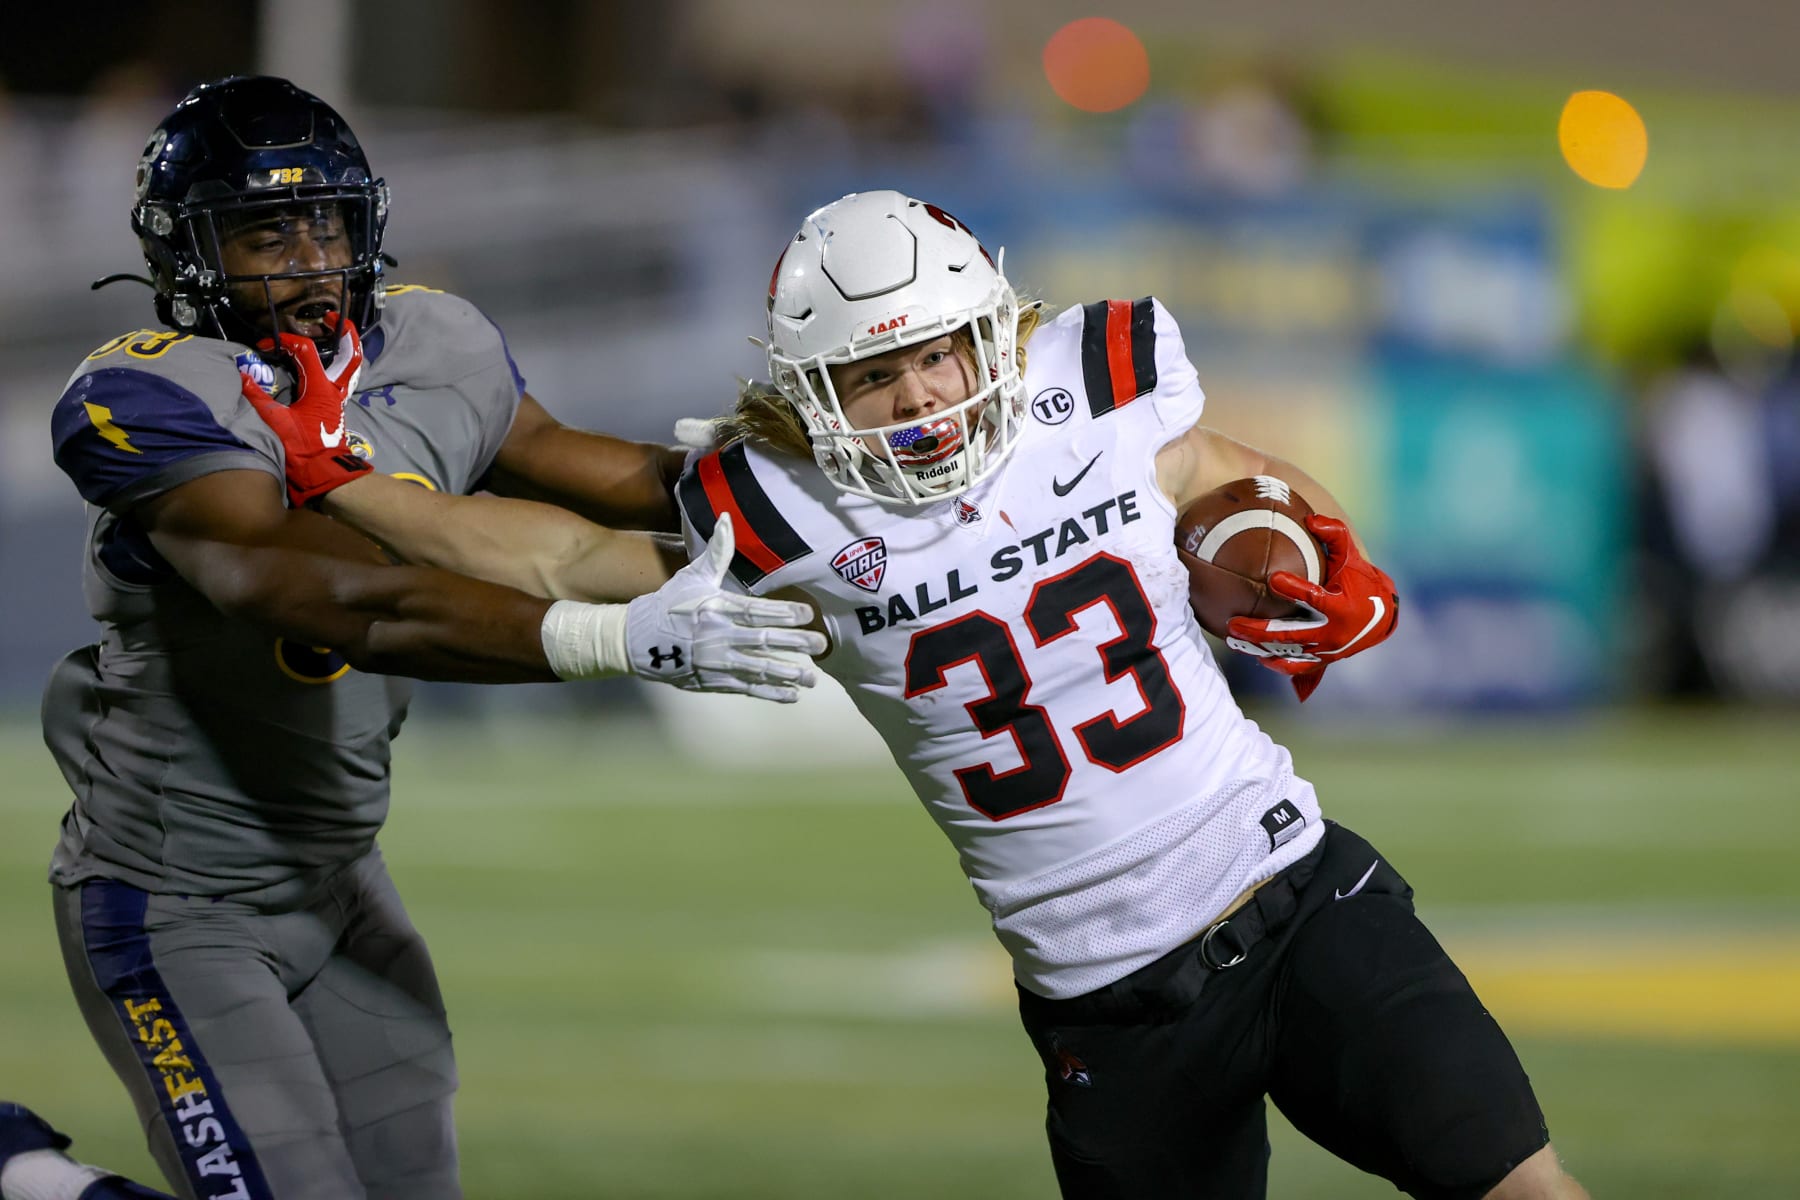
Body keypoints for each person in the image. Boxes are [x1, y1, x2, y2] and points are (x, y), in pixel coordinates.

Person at [239, 191, 1581, 1198]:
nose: (922, 392)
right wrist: (348, 482)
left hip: (1298, 898)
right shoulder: (787, 509)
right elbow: (560, 553)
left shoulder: (1090, 384)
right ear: (813, 396)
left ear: (991, 326)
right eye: (875, 372)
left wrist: (1284, 552)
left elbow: (1235, 483)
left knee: (1524, 1190)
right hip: (1108, 1000)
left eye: (937, 351)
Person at [31, 76, 824, 1200]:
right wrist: (610, 639)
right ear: (187, 252)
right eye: (265, 231)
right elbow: (331, 595)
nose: (308, 262)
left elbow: (613, 476)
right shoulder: (145, 395)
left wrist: (796, 482)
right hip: (178, 900)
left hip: (342, 878)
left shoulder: (432, 339)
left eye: (327, 223)